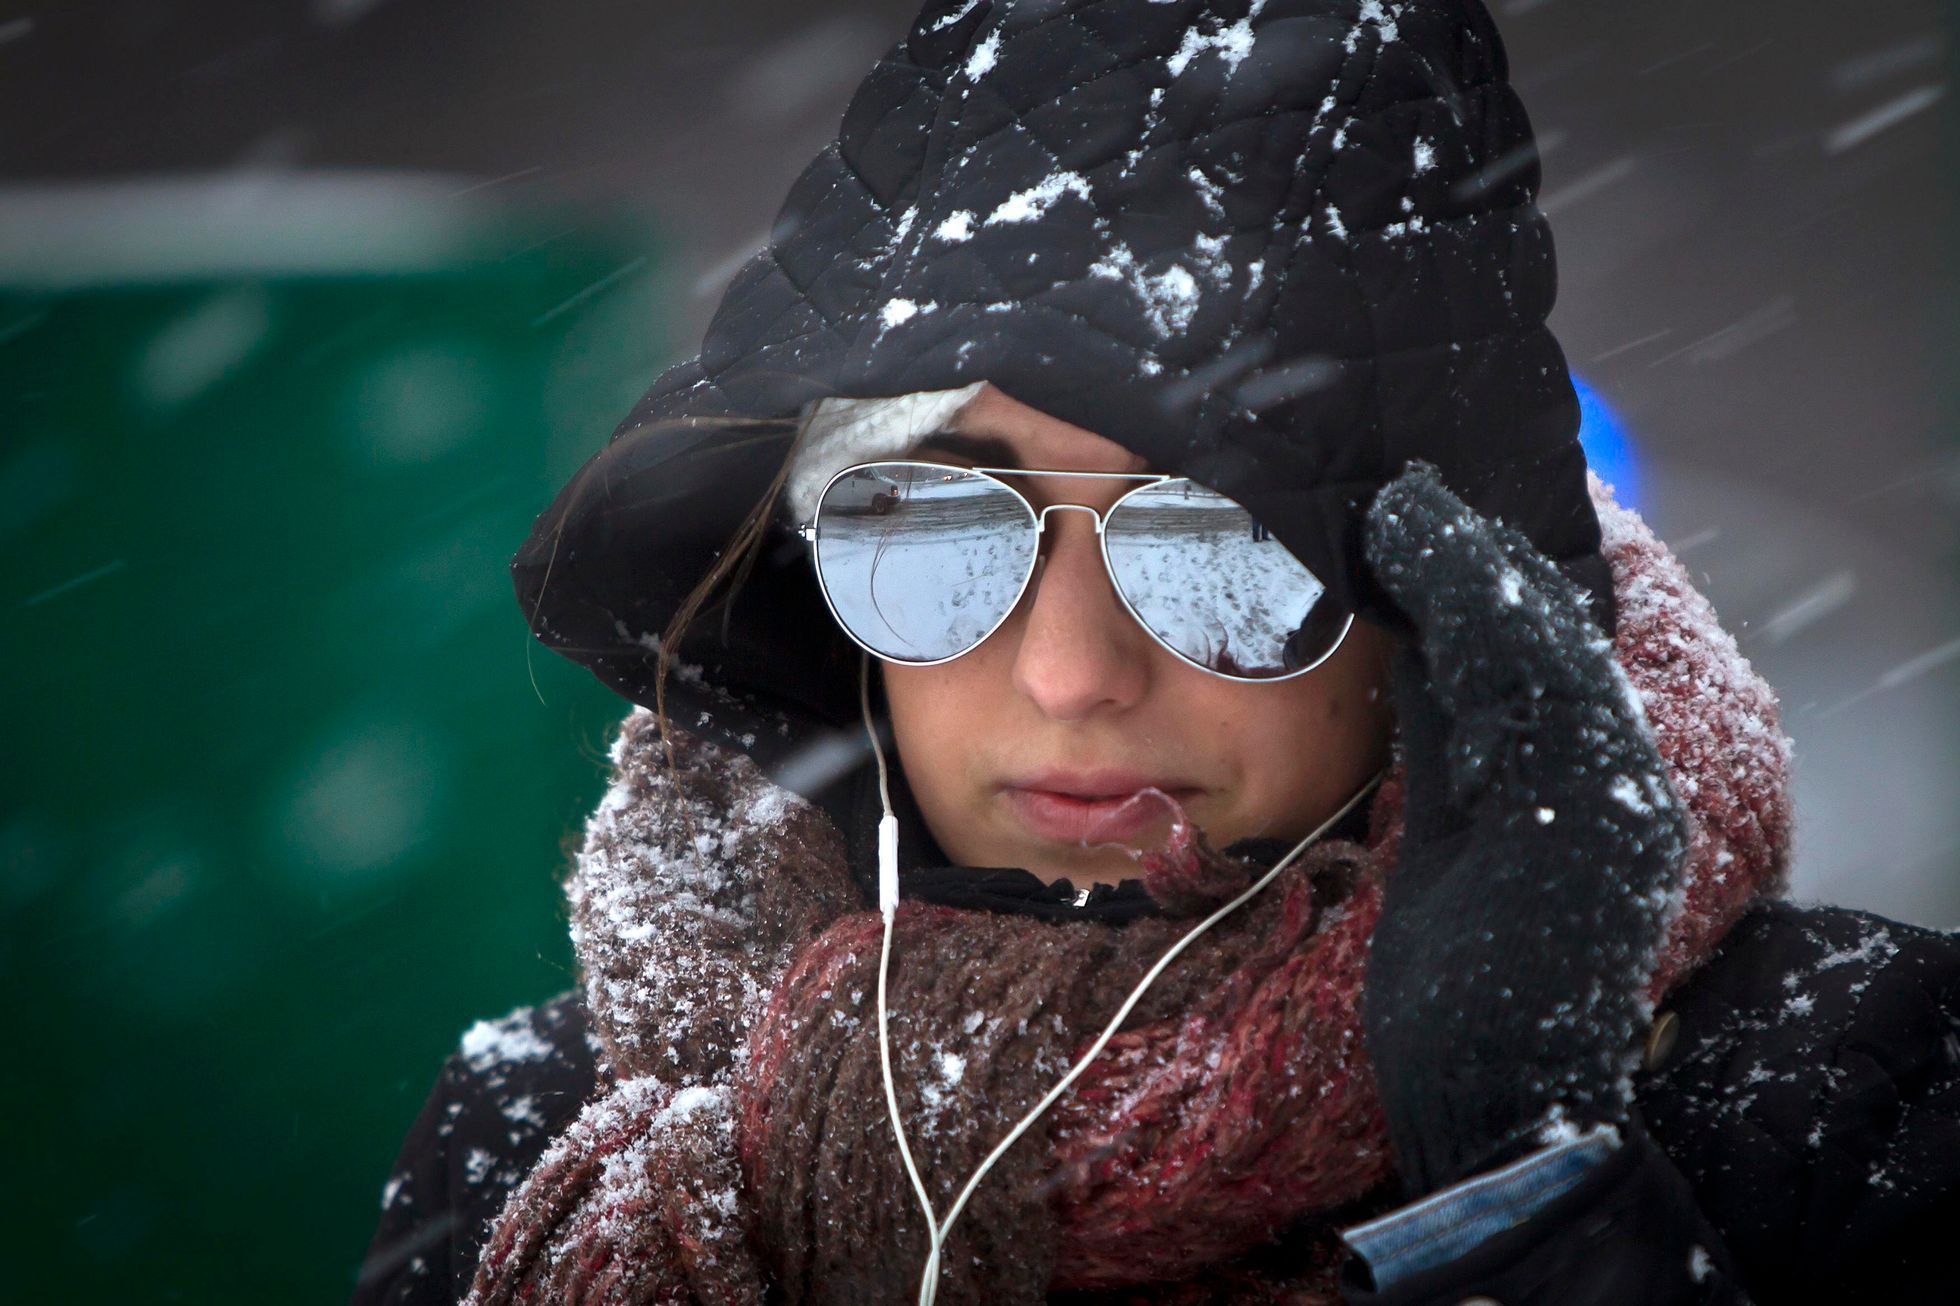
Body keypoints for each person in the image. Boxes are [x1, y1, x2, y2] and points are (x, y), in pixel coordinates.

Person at [351, 1, 1960, 1302]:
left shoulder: (1841, 1098)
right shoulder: (536, 1131)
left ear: (1441, 606)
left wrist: (1530, 1187)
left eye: (1218, 541)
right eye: (932, 526)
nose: (1069, 673)